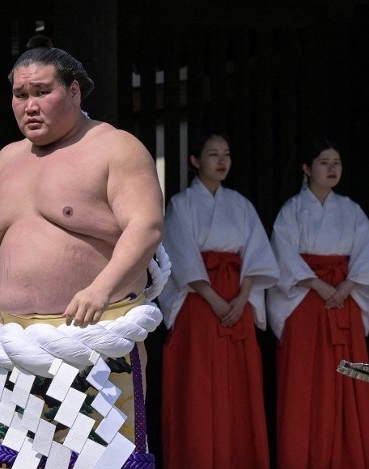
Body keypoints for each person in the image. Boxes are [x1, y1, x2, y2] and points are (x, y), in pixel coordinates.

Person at [0, 36, 165, 467]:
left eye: (42, 92)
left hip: (91, 346)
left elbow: (146, 226)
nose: (29, 104)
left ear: (75, 90)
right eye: (20, 94)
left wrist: (100, 289)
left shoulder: (114, 147)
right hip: (12, 349)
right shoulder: (6, 160)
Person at [158, 131, 278, 469]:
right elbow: (180, 255)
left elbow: (256, 255)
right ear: (195, 161)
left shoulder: (240, 204)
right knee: (198, 387)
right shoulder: (181, 204)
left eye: (225, 154)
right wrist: (213, 297)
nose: (221, 160)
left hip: (236, 301)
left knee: (238, 388)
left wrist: (241, 300)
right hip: (199, 303)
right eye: (212, 154)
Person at [266, 138, 369, 469]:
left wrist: (346, 285)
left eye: (337, 163)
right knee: (304, 385)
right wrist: (318, 284)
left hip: (342, 301)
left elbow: (364, 254)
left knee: (348, 382)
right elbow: (283, 253)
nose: (332, 169)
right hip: (305, 303)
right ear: (306, 168)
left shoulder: (351, 210)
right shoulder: (292, 210)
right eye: (323, 162)